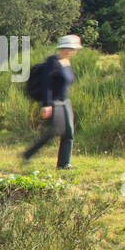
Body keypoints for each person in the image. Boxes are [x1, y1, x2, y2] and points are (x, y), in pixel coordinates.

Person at [22, 34, 80, 169]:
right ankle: (28, 153)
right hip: (55, 102)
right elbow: (46, 85)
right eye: (72, 48)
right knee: (55, 131)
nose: (74, 51)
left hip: (66, 101)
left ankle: (64, 164)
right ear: (65, 48)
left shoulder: (67, 63)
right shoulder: (52, 62)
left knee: (69, 132)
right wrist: (47, 105)